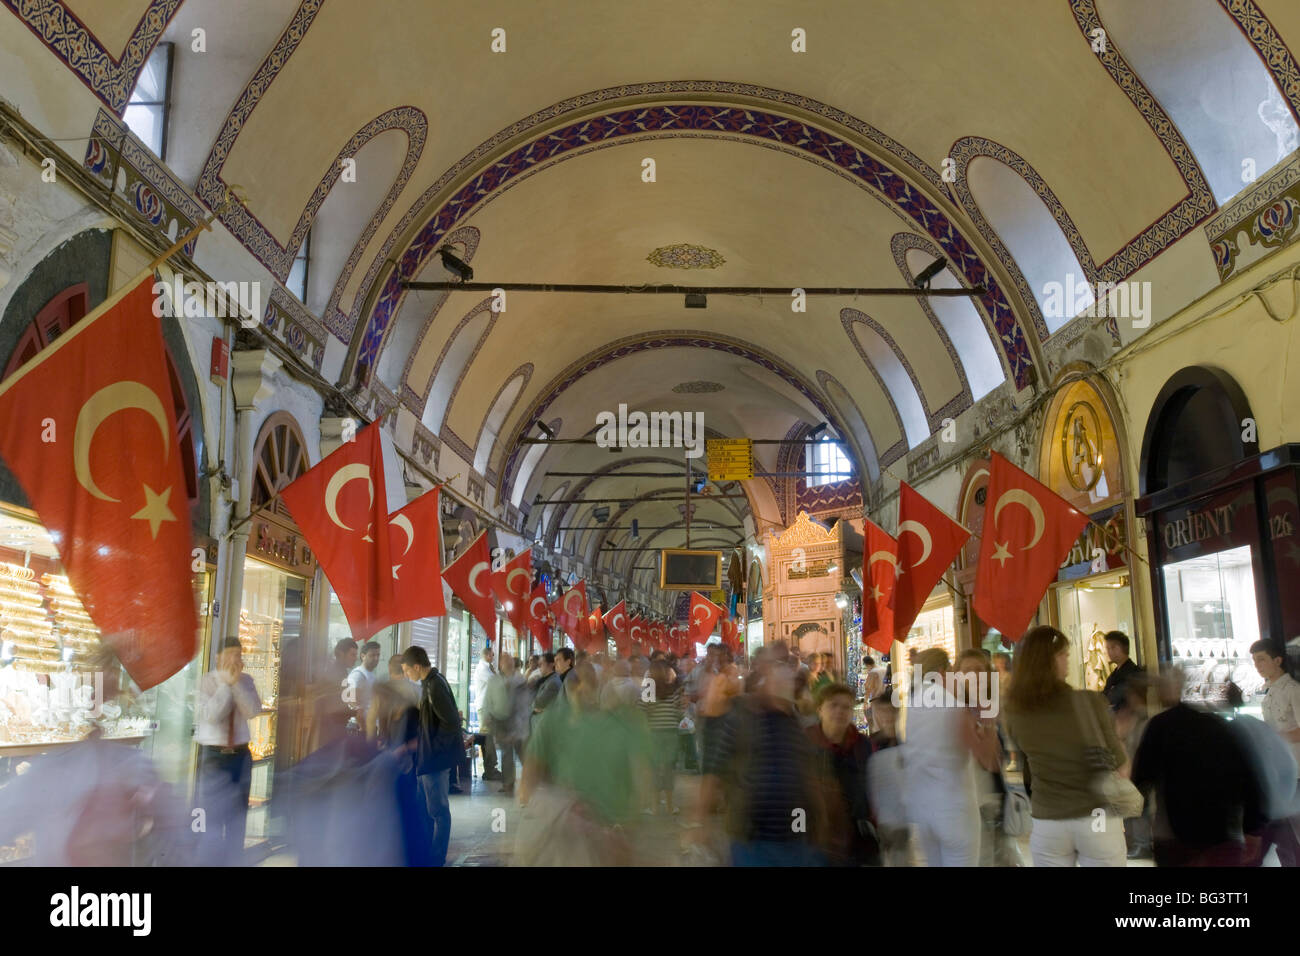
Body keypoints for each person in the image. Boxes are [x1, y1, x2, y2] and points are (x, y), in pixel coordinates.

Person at [1003, 626, 1129, 867]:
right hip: (1096, 817)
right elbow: (1121, 768)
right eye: (1064, 654)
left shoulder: (1015, 712)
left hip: (1048, 820)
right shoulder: (1089, 702)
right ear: (1050, 660)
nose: (1068, 660)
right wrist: (1119, 736)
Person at [693, 645, 828, 866]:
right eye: (777, 665)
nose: (784, 671)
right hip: (752, 839)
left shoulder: (797, 720)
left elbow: (809, 776)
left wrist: (820, 823)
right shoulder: (741, 716)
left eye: (787, 665)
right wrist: (700, 822)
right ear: (764, 671)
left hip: (796, 834)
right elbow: (714, 770)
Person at [1131, 667, 1263, 866]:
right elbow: (1245, 776)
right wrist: (1251, 827)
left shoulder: (1158, 726)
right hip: (1220, 830)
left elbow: (1142, 778)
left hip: (1174, 832)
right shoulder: (1215, 725)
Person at [903, 648, 991, 867]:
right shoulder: (954, 705)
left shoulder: (914, 703)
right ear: (943, 671)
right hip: (955, 809)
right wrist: (988, 723)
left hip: (923, 809)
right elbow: (987, 759)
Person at [195, 637, 263, 865]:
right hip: (214, 756)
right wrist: (226, 685)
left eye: (238, 654)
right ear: (218, 657)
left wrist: (236, 684)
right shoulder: (207, 682)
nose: (235, 659)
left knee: (238, 816)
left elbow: (253, 710)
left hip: (241, 755)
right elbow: (212, 716)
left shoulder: (247, 681)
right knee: (211, 815)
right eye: (230, 654)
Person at [401, 646, 461, 866]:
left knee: (438, 812)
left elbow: (452, 722)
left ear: (417, 666)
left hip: (434, 761)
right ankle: (425, 854)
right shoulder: (430, 683)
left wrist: (434, 748)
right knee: (424, 810)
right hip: (426, 759)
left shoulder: (434, 686)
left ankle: (436, 858)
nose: (407, 675)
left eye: (407, 671)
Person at [808, 682, 877, 865]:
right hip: (816, 840)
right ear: (819, 709)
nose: (840, 711)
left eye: (846, 707)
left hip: (856, 842)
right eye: (833, 705)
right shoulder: (804, 743)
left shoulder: (864, 745)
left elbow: (872, 789)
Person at [1251, 638, 1300, 865]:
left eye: (1262, 659)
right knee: (1283, 831)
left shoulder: (1293, 690)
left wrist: (1274, 737)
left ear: (1277, 660)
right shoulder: (1268, 692)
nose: (1257, 665)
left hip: (1296, 771)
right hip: (1279, 771)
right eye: (1254, 660)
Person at [866, 694, 910, 866]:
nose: (887, 717)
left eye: (891, 711)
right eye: (882, 711)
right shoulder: (869, 745)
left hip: (901, 819)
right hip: (877, 820)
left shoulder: (907, 744)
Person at [640, 659, 685, 814]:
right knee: (668, 770)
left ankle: (654, 807)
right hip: (671, 734)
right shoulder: (674, 688)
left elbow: (642, 711)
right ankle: (671, 806)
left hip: (653, 734)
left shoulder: (649, 687)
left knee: (654, 769)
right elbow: (679, 713)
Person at [483, 652, 529, 796]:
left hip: (517, 721)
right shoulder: (494, 680)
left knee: (523, 753)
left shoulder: (520, 680)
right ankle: (508, 783)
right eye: (504, 661)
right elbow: (487, 699)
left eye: (509, 660)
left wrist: (521, 726)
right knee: (506, 753)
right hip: (500, 721)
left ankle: (530, 782)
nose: (507, 663)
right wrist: (487, 715)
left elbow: (525, 703)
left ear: (513, 663)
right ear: (501, 664)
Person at [471, 646, 502, 781]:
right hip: (485, 708)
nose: (493, 657)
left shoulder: (488, 668)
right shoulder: (483, 669)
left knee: (489, 738)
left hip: (489, 708)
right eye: (493, 655)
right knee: (488, 738)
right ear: (488, 655)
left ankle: (491, 768)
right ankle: (490, 770)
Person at [1101, 631, 1141, 712]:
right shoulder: (1113, 675)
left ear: (1117, 648)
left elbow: (1113, 700)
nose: (1107, 652)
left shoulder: (1134, 674)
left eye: (1110, 648)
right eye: (1107, 648)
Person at [346, 641, 383, 723]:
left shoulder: (371, 675)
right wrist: (363, 728)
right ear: (363, 656)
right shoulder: (358, 675)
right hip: (361, 728)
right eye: (372, 655)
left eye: (378, 655)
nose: (376, 658)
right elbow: (352, 702)